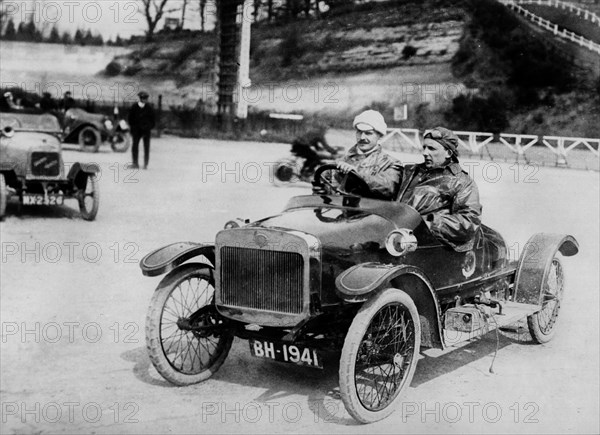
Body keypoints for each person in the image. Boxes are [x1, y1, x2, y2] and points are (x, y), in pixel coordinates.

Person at [394, 126, 482, 252]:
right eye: (424, 147)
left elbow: (469, 223)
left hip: (430, 248)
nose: (425, 153)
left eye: (431, 148)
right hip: (396, 238)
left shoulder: (461, 181)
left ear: (448, 153)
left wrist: (430, 222)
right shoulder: (410, 171)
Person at [314, 109, 399, 199]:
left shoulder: (391, 163)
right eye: (359, 132)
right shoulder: (340, 162)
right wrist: (322, 191)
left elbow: (388, 188)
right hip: (340, 211)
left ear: (380, 136)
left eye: (368, 133)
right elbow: (329, 191)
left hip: (372, 212)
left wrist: (357, 174)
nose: (362, 137)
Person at [128, 91, 156, 169]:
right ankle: (135, 163)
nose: (145, 100)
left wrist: (148, 127)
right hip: (136, 131)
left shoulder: (149, 108)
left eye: (146, 98)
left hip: (146, 131)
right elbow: (130, 119)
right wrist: (133, 128)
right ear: (140, 98)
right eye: (144, 98)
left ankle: (145, 164)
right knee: (135, 146)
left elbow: (153, 120)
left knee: (146, 147)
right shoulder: (134, 107)